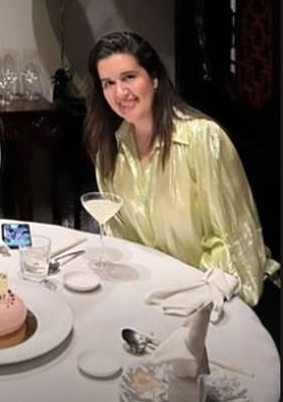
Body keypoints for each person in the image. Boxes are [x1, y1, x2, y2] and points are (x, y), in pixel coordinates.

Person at [83, 31, 279, 306]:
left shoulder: (203, 139)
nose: (119, 93)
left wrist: (196, 298)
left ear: (154, 78)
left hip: (219, 297)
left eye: (129, 77)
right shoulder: (110, 152)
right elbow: (123, 243)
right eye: (108, 83)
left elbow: (234, 244)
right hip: (154, 296)